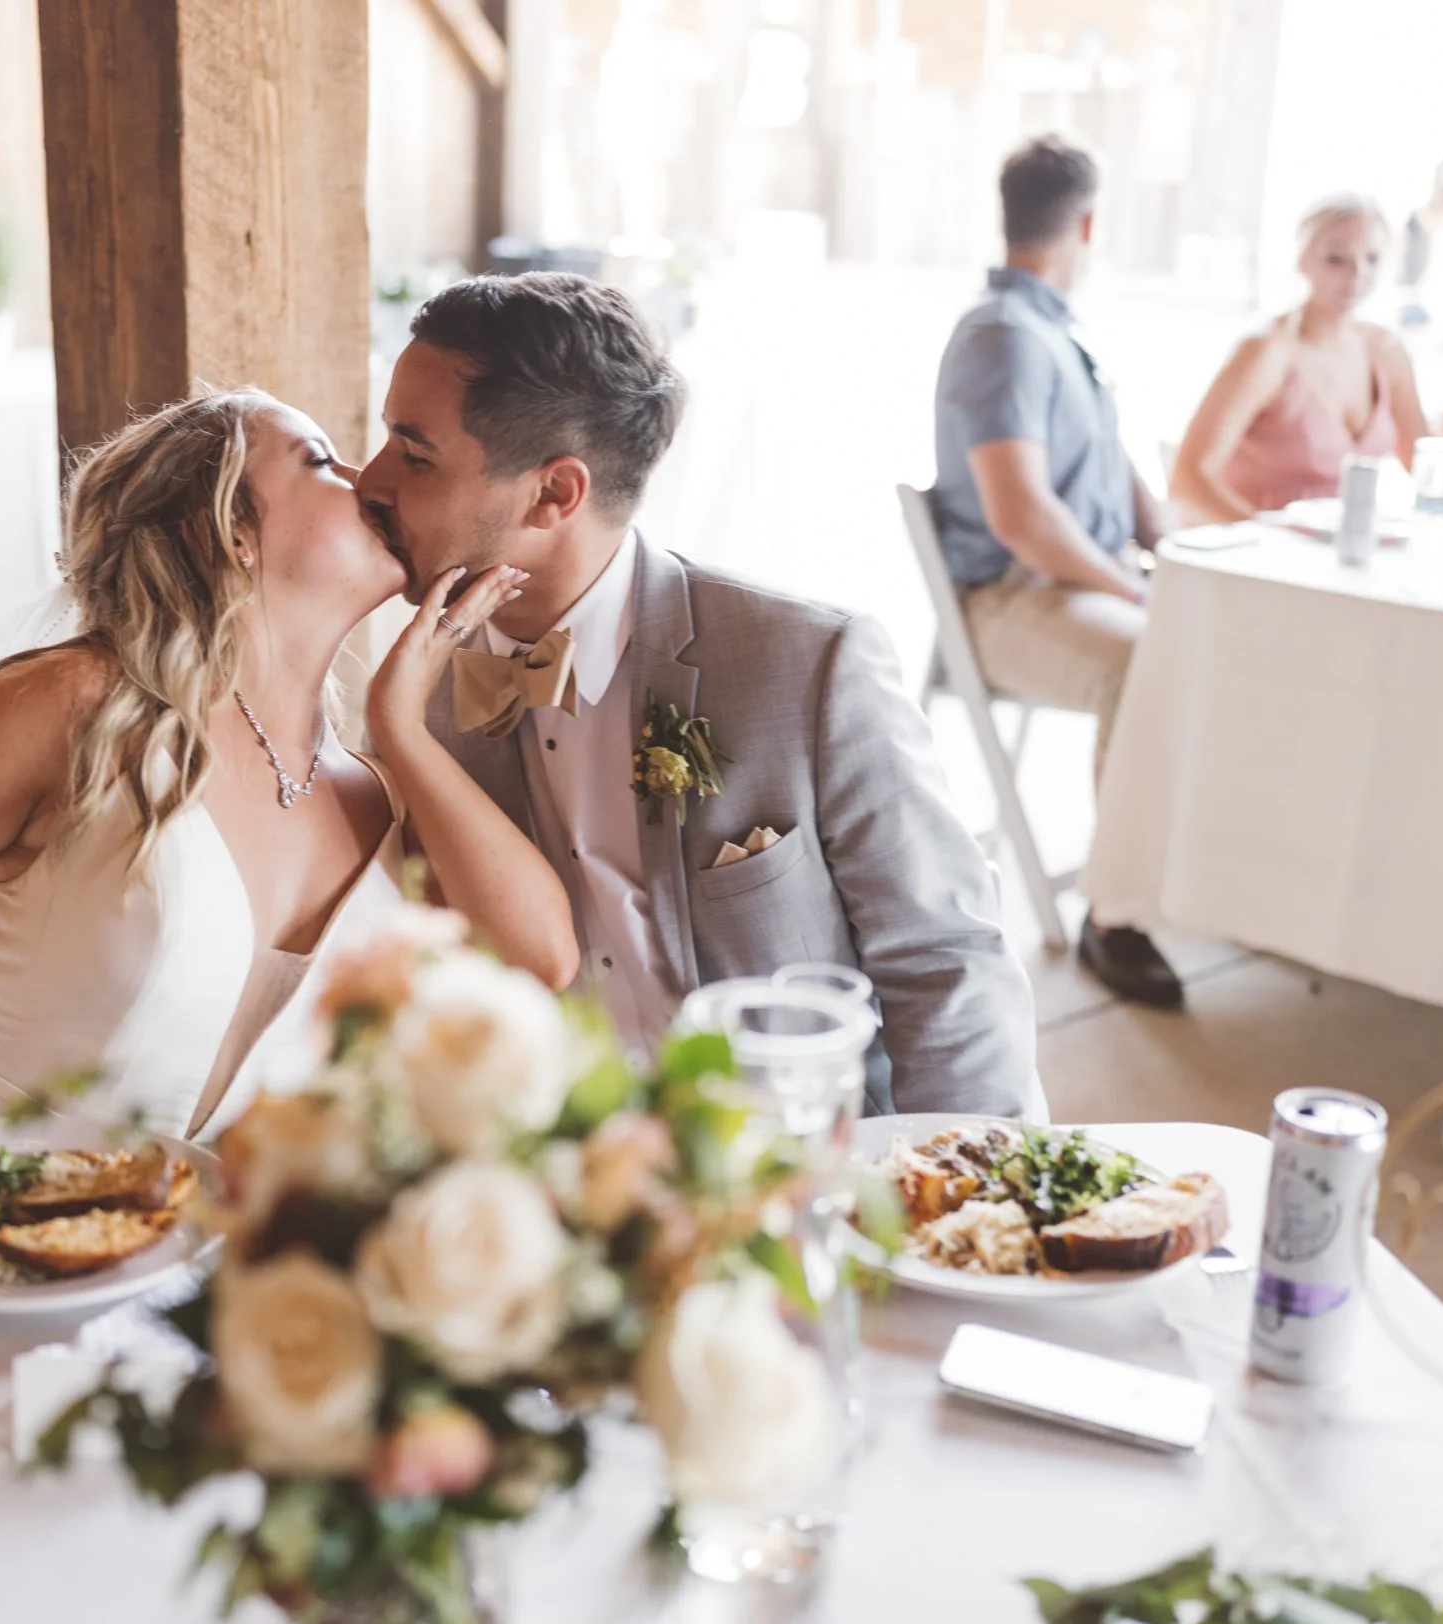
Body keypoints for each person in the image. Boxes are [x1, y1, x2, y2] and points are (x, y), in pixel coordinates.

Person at [0, 390, 577, 1186]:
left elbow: (541, 960)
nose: (368, 482)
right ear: (229, 530)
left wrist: (401, 726)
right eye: (319, 460)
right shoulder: (83, 710)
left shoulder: (375, 795)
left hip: (175, 1300)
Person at [359, 272, 1039, 1122]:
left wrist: (969, 1217)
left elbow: (945, 963)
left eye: (415, 453)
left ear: (554, 493)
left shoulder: (807, 665)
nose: (371, 480)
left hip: (805, 1169)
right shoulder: (418, 705)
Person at [928, 135, 1180, 1009]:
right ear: (1088, 223)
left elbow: (1118, 478)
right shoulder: (1002, 337)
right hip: (1009, 599)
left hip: (1071, 584)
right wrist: (1137, 589)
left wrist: (1178, 554)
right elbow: (1023, 520)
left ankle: (1173, 872)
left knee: (1208, 641)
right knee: (1150, 654)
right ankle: (1115, 914)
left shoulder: (1053, 334)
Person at [1170, 196, 1430, 522]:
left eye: (1372, 259)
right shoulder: (1266, 353)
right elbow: (1187, 479)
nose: (1357, 274)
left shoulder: (1386, 350)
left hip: (1341, 553)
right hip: (1253, 552)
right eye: (1337, 259)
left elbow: (1428, 463)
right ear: (1303, 260)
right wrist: (1268, 539)